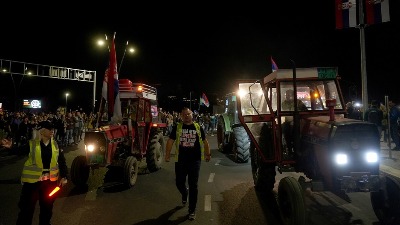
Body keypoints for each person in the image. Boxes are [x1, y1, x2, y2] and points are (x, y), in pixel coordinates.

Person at [0, 120, 68, 225]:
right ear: (41, 131)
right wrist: (11, 147)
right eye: (49, 128)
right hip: (32, 184)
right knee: (26, 210)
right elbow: (20, 150)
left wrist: (64, 176)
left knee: (47, 209)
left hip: (49, 184)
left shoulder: (55, 144)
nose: (52, 130)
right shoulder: (32, 144)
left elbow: (62, 161)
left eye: (52, 128)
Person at [165, 107, 211, 220]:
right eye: (184, 114)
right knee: (179, 182)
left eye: (188, 114)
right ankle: (184, 193)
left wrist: (207, 154)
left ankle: (192, 210)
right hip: (181, 160)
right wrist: (167, 154)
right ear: (181, 116)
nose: (186, 116)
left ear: (192, 115)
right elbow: (170, 141)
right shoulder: (177, 127)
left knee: (193, 185)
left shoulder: (197, 127)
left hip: (195, 161)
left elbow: (205, 141)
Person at [281, 89, 307, 155]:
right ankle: (288, 148)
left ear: (293, 95)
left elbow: (305, 111)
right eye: (286, 95)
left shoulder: (298, 103)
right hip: (287, 122)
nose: (287, 96)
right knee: (285, 129)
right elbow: (281, 112)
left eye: (289, 95)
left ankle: (297, 149)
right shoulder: (283, 103)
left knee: (297, 131)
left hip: (297, 121)